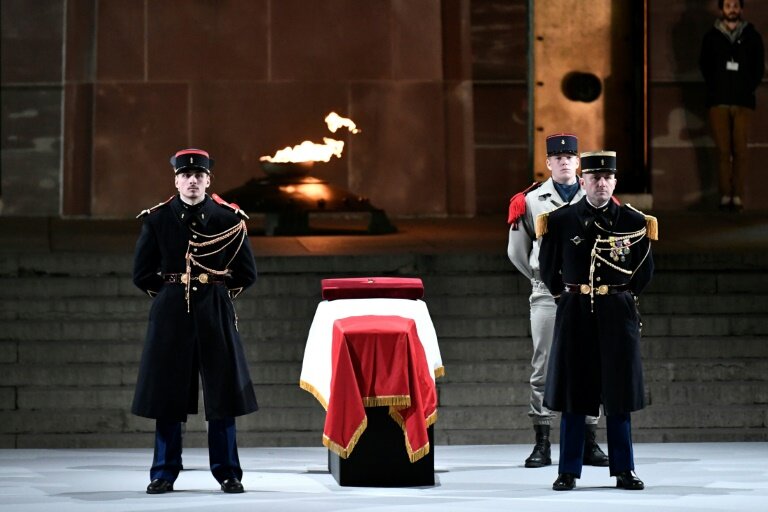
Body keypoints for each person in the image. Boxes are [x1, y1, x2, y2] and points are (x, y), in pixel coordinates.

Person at [132, 148, 259, 494]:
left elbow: (247, 273)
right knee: (167, 397)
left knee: (222, 398)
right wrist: (173, 293)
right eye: (186, 176)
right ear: (176, 180)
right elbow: (142, 274)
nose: (192, 181)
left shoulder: (229, 219)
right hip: (172, 316)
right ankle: (163, 472)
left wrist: (215, 292)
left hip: (214, 313)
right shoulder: (157, 219)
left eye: (198, 176)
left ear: (208, 180)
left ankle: (228, 472)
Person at [537, 150, 657, 491]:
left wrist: (618, 295)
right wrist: (571, 295)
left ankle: (624, 469)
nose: (601, 183)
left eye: (607, 177)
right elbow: (549, 270)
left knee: (618, 394)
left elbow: (644, 272)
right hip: (576, 311)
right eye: (594, 177)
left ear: (615, 181)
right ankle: (568, 470)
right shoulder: (560, 221)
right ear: (583, 181)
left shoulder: (635, 222)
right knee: (575, 394)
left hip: (617, 313)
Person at [507, 133, 608, 468]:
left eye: (570, 156)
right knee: (544, 365)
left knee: (590, 363)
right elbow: (518, 252)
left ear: (578, 162)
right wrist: (543, 280)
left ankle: (588, 440)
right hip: (549, 294)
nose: (564, 161)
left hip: (588, 292)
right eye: (557, 157)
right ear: (548, 163)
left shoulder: (595, 193)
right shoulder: (531, 200)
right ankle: (542, 441)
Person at [699, 0, 765, 211]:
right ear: (722, 9)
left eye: (735, 5)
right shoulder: (711, 37)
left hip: (743, 101)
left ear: (741, 9)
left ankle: (737, 196)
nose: (732, 9)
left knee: (740, 151)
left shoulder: (751, 36)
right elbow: (705, 65)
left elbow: (758, 66)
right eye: (728, 5)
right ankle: (725, 196)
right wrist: (715, 86)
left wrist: (747, 88)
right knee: (722, 151)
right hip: (718, 100)